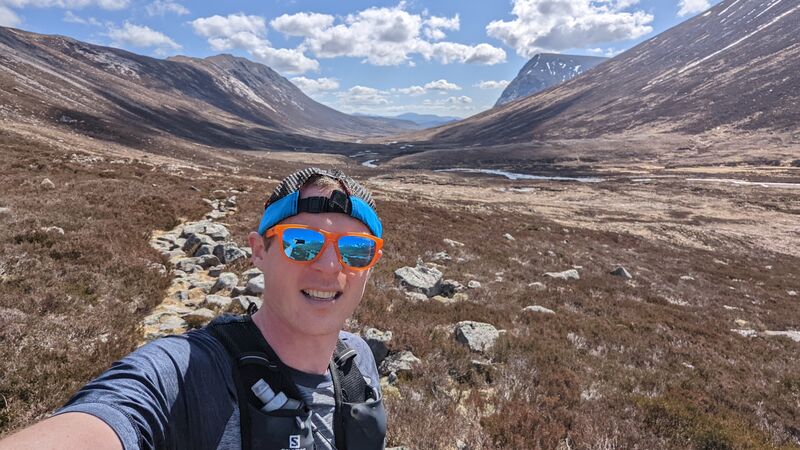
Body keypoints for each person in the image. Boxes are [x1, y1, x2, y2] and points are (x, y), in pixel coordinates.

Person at [0, 168, 387, 450]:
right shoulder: (187, 374)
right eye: (302, 243)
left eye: (356, 250)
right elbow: (109, 418)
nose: (329, 266)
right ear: (258, 251)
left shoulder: (358, 363)